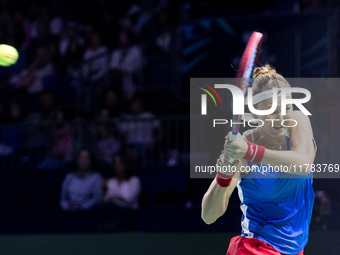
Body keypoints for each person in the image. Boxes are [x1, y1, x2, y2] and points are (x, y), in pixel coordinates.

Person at [201, 65, 316, 255]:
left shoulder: (298, 122)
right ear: (255, 114)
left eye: (286, 107)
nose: (282, 117)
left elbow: (303, 164)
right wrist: (224, 174)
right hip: (256, 248)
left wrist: (250, 151)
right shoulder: (242, 148)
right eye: (272, 110)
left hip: (295, 249)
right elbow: (208, 216)